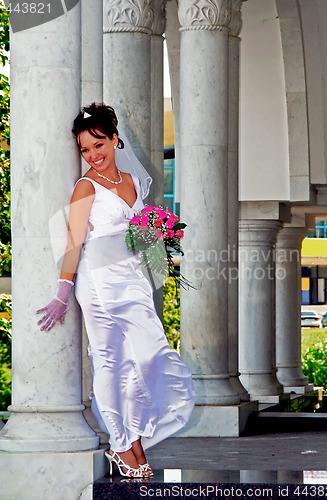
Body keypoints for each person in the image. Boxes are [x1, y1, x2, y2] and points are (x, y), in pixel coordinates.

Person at [36, 103, 195, 479]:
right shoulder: (85, 186)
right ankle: (122, 445)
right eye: (85, 150)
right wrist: (63, 291)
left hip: (133, 279)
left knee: (146, 358)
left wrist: (159, 245)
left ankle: (134, 436)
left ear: (114, 138)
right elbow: (74, 243)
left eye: (99, 144)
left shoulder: (136, 183)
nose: (93, 155)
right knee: (110, 361)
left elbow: (140, 237)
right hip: (98, 281)